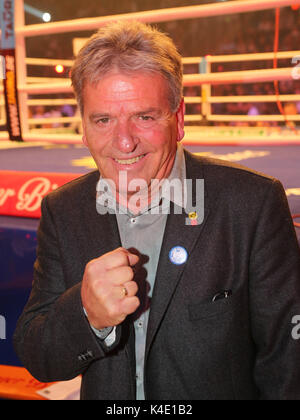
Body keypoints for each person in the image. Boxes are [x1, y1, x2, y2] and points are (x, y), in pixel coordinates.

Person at [14, 20, 300, 400]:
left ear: (178, 119)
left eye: (144, 117)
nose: (124, 141)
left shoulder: (251, 203)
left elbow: (288, 361)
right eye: (103, 120)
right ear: (83, 128)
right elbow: (39, 356)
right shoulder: (64, 209)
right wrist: (87, 316)